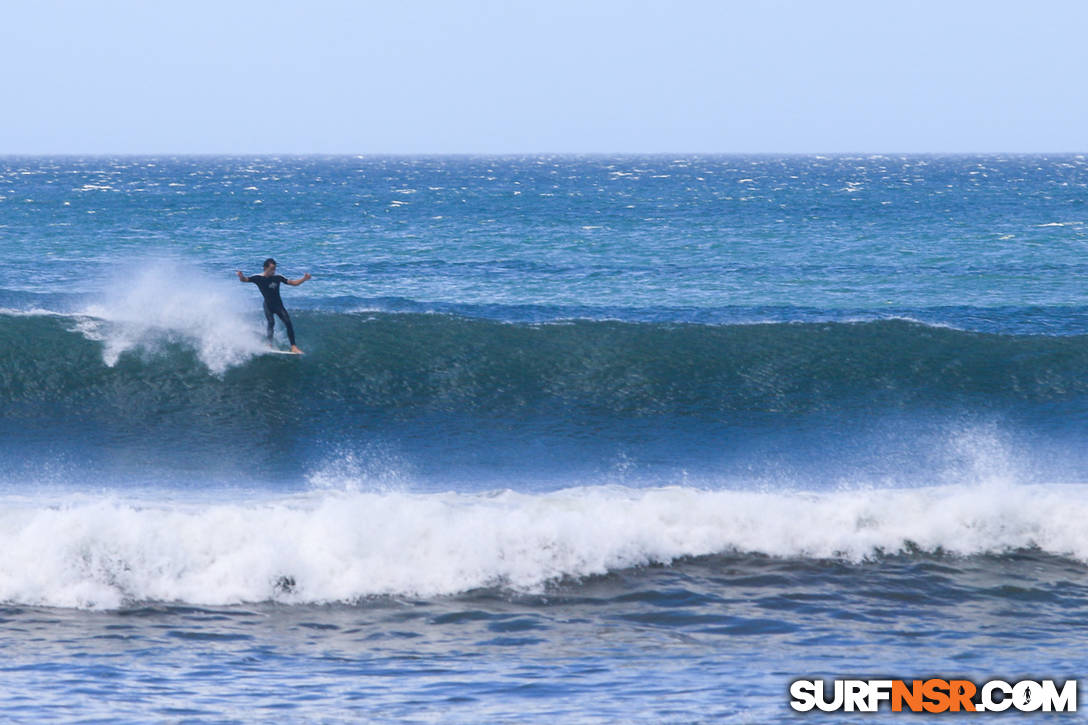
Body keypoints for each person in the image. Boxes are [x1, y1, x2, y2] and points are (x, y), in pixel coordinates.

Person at [236, 258, 312, 353]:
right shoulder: (258, 278)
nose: (273, 271)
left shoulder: (278, 277)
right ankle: (269, 344)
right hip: (268, 305)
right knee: (271, 322)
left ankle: (293, 347)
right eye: (272, 269)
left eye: (274, 269)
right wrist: (241, 276)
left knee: (288, 322)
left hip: (278, 306)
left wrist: (304, 279)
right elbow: (244, 280)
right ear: (265, 268)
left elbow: (293, 283)